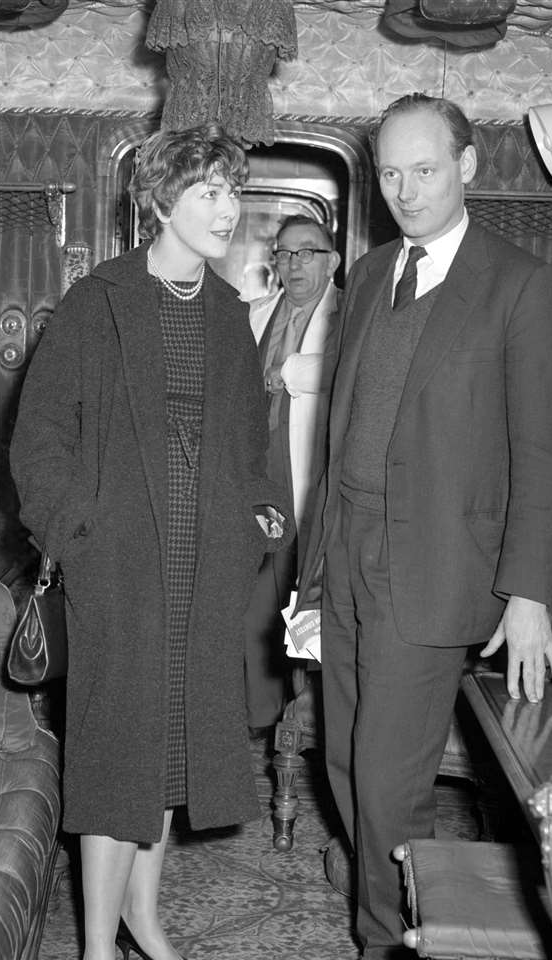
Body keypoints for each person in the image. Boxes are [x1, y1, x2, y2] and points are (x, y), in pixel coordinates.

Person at [295, 94, 552, 960]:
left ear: (468, 166)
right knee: (338, 759)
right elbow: (337, 442)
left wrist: (529, 592)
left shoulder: (520, 286)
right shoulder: (369, 275)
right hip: (349, 553)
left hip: (437, 568)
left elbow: (545, 451)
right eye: (389, 173)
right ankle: (399, 885)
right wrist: (311, 577)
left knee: (384, 777)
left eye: (425, 169)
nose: (406, 190)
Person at [9, 123, 290, 960]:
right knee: (113, 761)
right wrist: (73, 533)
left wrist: (258, 514)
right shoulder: (99, 303)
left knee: (168, 754)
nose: (227, 210)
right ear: (160, 202)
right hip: (120, 568)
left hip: (204, 570)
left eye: (231, 192)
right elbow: (37, 438)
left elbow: (253, 438)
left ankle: (146, 922)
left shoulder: (227, 313)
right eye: (208, 192)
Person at [244, 214, 341, 733]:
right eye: (284, 254)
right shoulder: (255, 314)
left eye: (308, 252)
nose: (295, 263)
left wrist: (284, 373)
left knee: (307, 598)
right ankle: (258, 715)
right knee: (258, 595)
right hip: (256, 475)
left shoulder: (351, 312)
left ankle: (305, 715)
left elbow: (341, 369)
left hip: (311, 474)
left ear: (332, 261)